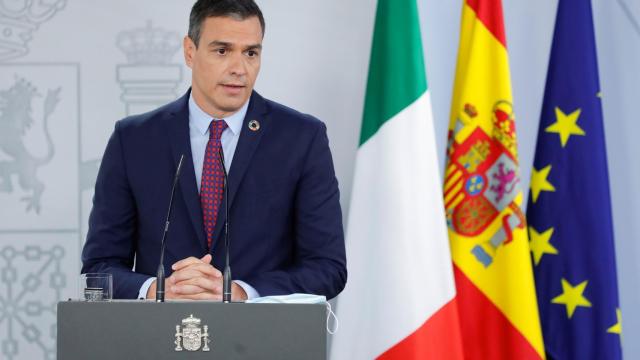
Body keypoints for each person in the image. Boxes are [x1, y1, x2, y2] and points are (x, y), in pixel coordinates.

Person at [81, 0, 346, 301]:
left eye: (251, 53)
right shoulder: (133, 139)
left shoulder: (301, 138)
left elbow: (328, 268)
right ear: (190, 51)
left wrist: (240, 292)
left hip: (262, 341)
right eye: (222, 51)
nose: (239, 68)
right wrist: (160, 290)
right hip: (158, 340)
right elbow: (99, 268)